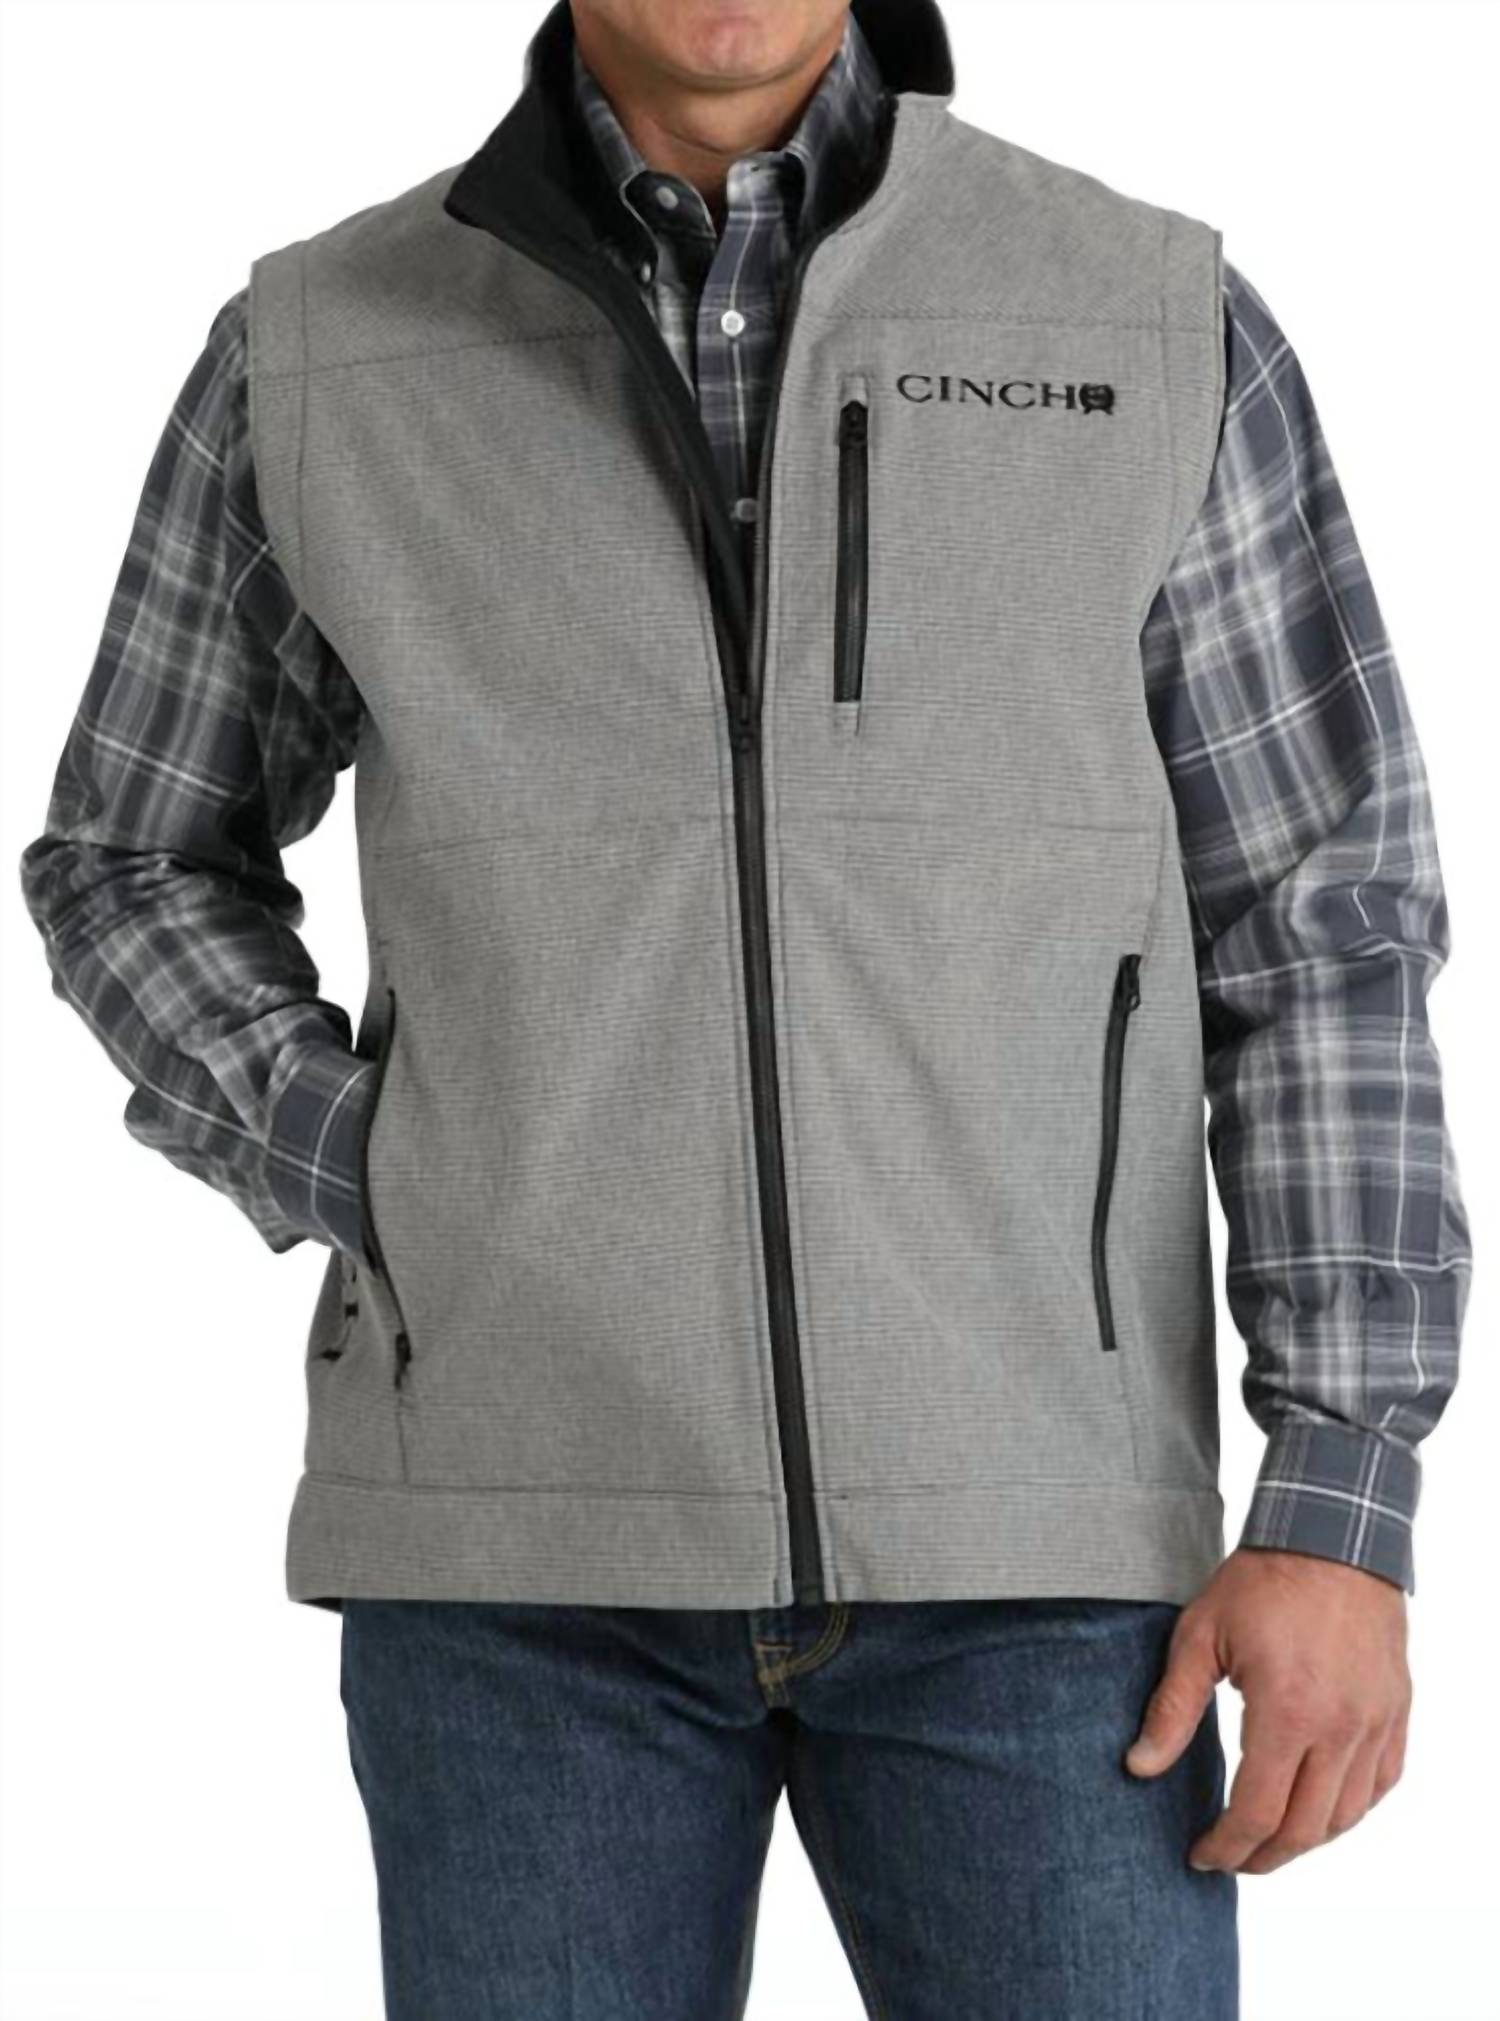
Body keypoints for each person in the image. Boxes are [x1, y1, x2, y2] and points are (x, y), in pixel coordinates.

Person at [17, 1, 1470, 2015]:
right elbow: (133, 855)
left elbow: (1317, 923)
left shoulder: (1146, 318)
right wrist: (386, 1162)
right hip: (519, 1576)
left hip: (1043, 1566)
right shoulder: (321, 353)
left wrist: (1339, 1492)